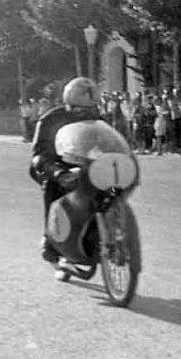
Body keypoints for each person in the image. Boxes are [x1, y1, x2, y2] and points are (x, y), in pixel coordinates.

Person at [29, 77, 103, 264]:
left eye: (90, 109)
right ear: (68, 104)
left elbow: (112, 142)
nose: (85, 115)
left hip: (87, 166)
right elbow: (41, 153)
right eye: (79, 110)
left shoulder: (99, 119)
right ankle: (49, 238)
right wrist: (56, 171)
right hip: (58, 166)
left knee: (111, 189)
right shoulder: (50, 119)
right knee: (52, 186)